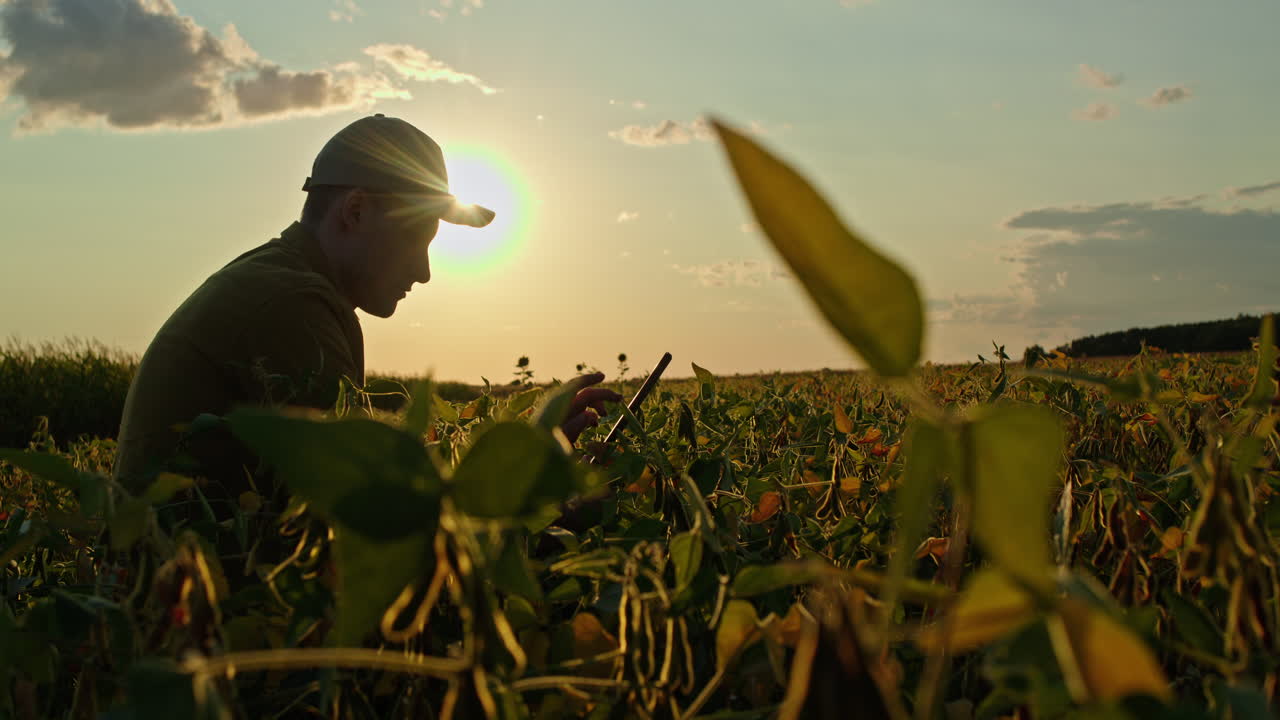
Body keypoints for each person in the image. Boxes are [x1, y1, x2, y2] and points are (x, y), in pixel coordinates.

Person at [113, 113, 620, 504]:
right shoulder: (291, 305)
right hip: (183, 610)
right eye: (416, 240)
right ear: (355, 211)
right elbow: (370, 507)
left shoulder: (291, 286)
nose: (423, 272)